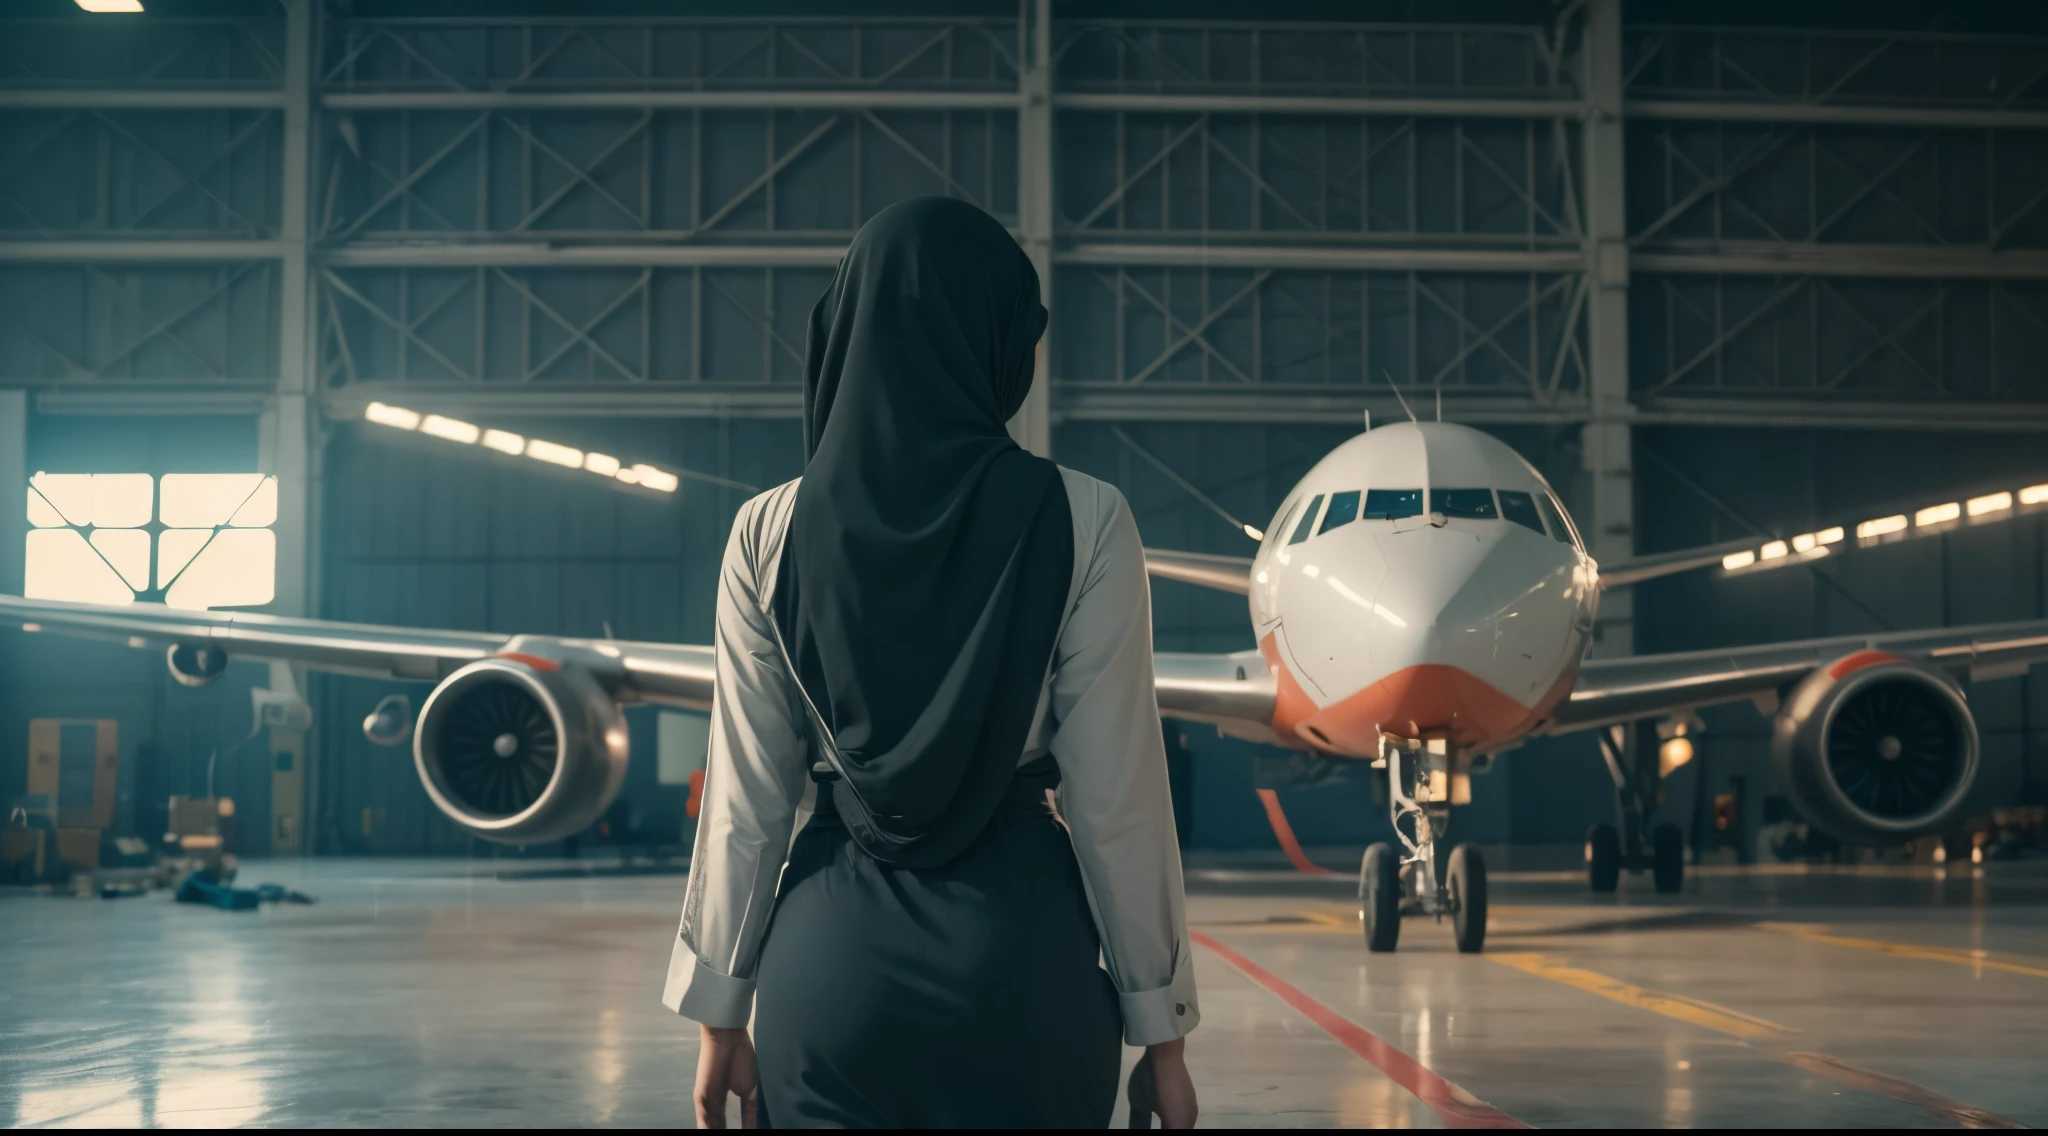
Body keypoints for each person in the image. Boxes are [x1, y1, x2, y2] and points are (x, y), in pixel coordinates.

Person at [662, 196, 1200, 1129]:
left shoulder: (766, 531)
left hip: (830, 979)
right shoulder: (1088, 518)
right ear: (989, 344)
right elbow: (1120, 800)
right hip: (1025, 969)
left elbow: (746, 802)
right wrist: (1163, 1035)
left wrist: (720, 1020)